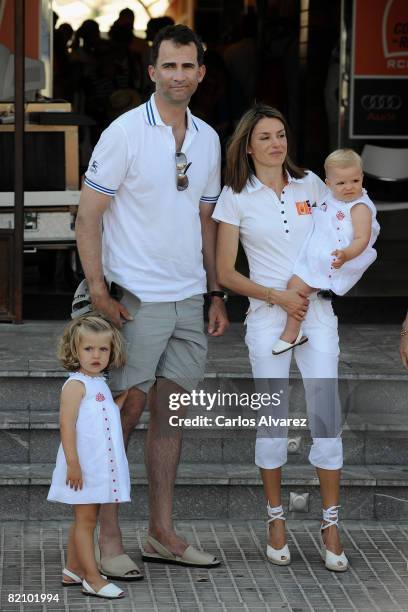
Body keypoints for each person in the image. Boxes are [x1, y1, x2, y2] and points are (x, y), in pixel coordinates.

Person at [75, 24, 229, 577]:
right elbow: (87, 217)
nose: (179, 75)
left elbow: (207, 220)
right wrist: (98, 292)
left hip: (189, 295)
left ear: (201, 72)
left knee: (173, 414)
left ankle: (161, 533)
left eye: (188, 66)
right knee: (125, 411)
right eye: (169, 66)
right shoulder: (123, 132)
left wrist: (214, 292)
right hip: (134, 297)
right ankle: (107, 536)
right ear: (152, 71)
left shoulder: (209, 138)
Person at [213, 104, 348, 571]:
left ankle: (331, 524)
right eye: (265, 137)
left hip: (318, 312)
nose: (276, 143)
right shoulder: (235, 196)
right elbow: (225, 271)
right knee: (272, 419)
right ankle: (275, 519)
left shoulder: (313, 184)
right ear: (248, 145)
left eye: (281, 134)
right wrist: (278, 296)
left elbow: (343, 228)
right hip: (268, 316)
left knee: (325, 415)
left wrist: (313, 285)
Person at [47, 314, 130, 599]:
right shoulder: (75, 385)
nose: (96, 355)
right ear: (74, 351)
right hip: (82, 466)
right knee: (85, 521)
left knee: (86, 517)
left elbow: (101, 415)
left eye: (102, 349)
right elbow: (66, 425)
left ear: (111, 351)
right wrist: (73, 464)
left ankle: (73, 569)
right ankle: (92, 578)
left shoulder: (99, 384)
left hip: (96, 465)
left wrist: (120, 401)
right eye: (88, 349)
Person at [273, 148, 380, 355]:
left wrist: (346, 254)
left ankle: (291, 332)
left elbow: (362, 238)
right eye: (341, 183)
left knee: (296, 288)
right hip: (320, 253)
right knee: (294, 286)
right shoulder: (329, 197)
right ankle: (298, 326)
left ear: (362, 178)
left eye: (355, 181)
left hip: (339, 259)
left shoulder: (359, 207)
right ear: (328, 183)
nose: (349, 187)